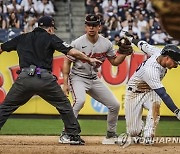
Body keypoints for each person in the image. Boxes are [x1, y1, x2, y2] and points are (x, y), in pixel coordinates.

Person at [0, 15, 102, 145]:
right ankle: (72, 135)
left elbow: (2, 48)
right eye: (53, 28)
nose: (53, 31)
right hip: (44, 79)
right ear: (49, 28)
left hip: (24, 79)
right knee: (64, 105)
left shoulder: (22, 37)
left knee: (6, 107)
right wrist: (89, 59)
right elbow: (72, 52)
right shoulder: (50, 38)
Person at [59, 14, 133, 145]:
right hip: (78, 77)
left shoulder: (106, 44)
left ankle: (111, 134)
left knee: (114, 105)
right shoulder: (77, 43)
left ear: (99, 26)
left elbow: (115, 62)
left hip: (94, 78)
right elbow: (66, 62)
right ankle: (66, 133)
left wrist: (123, 54)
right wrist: (65, 83)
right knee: (79, 101)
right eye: (88, 25)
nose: (91, 27)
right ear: (85, 27)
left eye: (94, 25)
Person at [122, 32, 180, 145]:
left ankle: (148, 135)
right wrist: (177, 112)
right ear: (167, 58)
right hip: (134, 92)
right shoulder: (151, 70)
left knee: (155, 105)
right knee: (133, 132)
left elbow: (142, 44)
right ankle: (138, 131)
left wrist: (130, 38)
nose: (176, 65)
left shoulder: (158, 52)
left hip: (150, 90)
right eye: (175, 62)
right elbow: (164, 94)